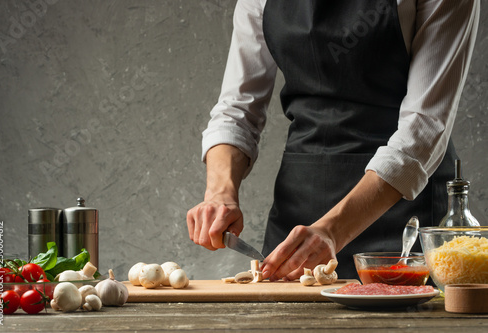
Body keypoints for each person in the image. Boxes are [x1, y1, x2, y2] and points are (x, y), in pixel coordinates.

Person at [187, 0, 480, 280]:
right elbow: (237, 111)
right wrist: (220, 192)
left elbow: (424, 127)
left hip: (404, 216)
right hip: (299, 210)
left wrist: (333, 230)